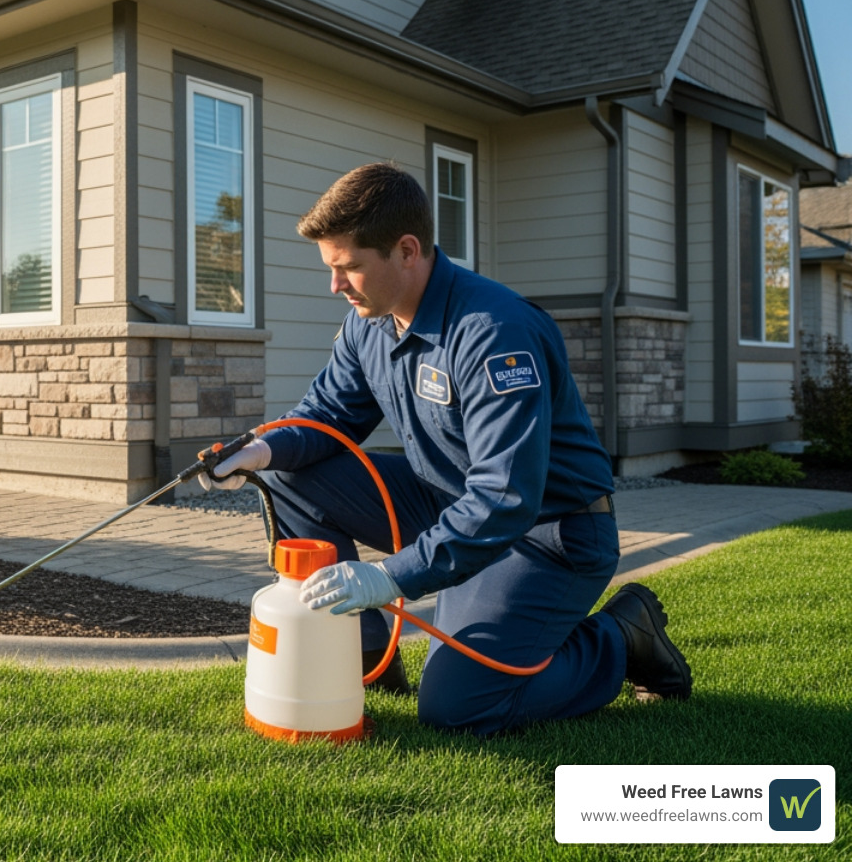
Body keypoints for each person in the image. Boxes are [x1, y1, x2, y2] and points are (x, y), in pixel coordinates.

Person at [202, 163, 692, 736]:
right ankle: (356, 659)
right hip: (447, 507)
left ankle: (619, 637)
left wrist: (390, 576)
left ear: (407, 250)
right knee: (289, 471)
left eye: (350, 267)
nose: (335, 285)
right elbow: (328, 418)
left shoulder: (494, 333)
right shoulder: (369, 323)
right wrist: (258, 452)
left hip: (545, 536)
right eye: (331, 268)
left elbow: (505, 497)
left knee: (457, 707)